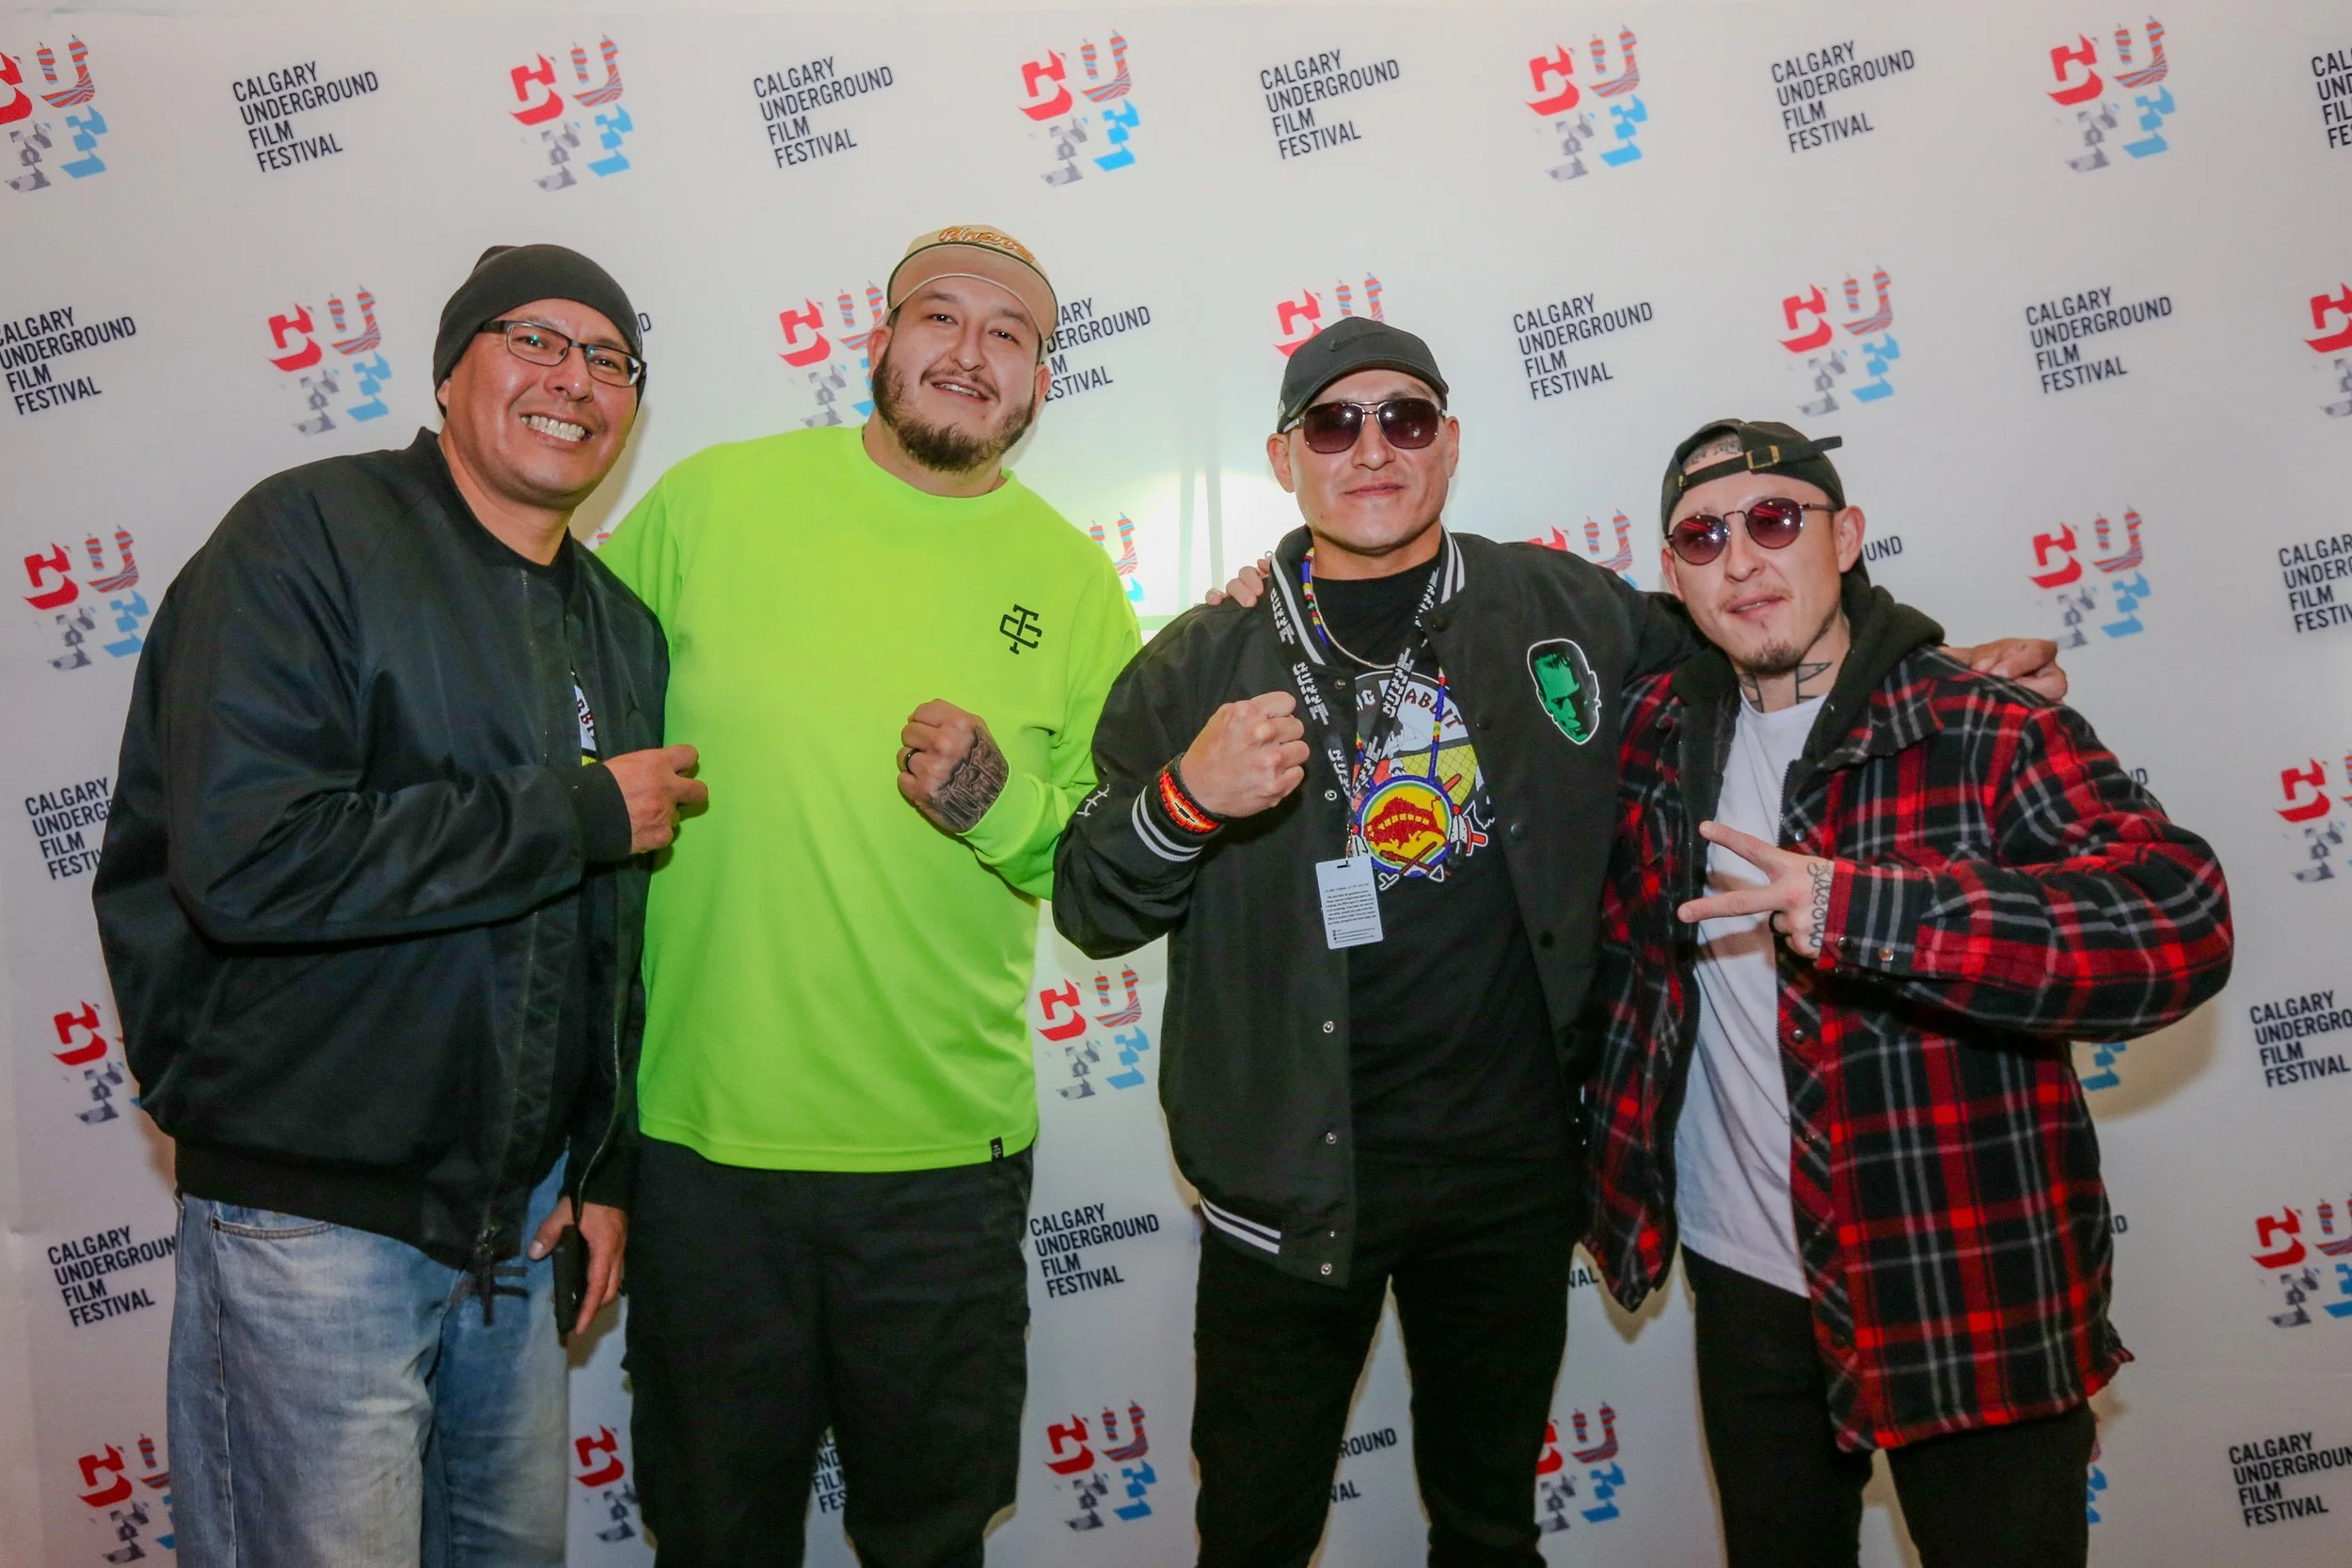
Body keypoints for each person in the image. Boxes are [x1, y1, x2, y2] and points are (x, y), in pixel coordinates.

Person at [1063, 321, 2066, 1567]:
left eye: (1404, 418)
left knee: (1492, 1525)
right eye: (1332, 423)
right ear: (1284, 458)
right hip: (1287, 1178)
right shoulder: (1202, 658)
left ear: (1450, 443)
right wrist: (1186, 799)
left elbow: (1762, 635)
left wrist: (1928, 668)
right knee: (1253, 1531)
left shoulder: (1563, 605)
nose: (1371, 448)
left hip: (1509, 1177)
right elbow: (1093, 904)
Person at [93, 244, 703, 1566]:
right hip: (313, 1228)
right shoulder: (306, 537)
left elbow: (605, 935)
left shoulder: (619, 626)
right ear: (447, 371)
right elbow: (248, 858)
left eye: (609, 357)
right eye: (533, 338)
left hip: (515, 1225)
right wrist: (572, 810)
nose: (574, 377)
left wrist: (601, 1167)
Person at [1581, 419, 2234, 1568]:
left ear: (1845, 539)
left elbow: (2177, 918)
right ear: (1674, 579)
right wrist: (1268, 594)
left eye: (1773, 519)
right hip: (1749, 1284)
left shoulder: (1983, 722)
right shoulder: (1653, 734)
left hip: (1963, 1274)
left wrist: (1866, 910)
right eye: (1702, 536)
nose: (1742, 558)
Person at [596, 224, 1138, 1566]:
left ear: (1039, 383)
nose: (969, 351)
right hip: (705, 1148)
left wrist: (1000, 803)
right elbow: (563, 721)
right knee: (713, 1535)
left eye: (1008, 333)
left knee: (927, 1539)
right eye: (939, 316)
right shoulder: (711, 502)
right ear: (879, 342)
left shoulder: (1074, 581)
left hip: (943, 1164)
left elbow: (1113, 870)